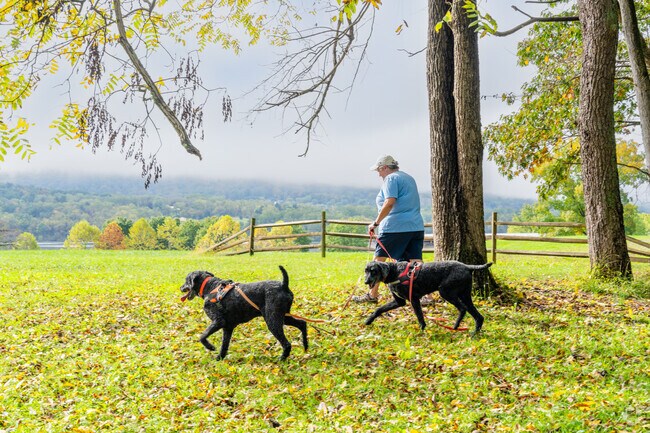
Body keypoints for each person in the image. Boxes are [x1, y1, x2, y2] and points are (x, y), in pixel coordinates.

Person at [353, 154, 431, 304]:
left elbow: (389, 202)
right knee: (415, 262)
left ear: (385, 167)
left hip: (395, 227)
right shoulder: (408, 178)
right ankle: (427, 296)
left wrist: (375, 223)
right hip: (415, 226)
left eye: (379, 170)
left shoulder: (391, 179)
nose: (379, 174)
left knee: (378, 261)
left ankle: (372, 295)